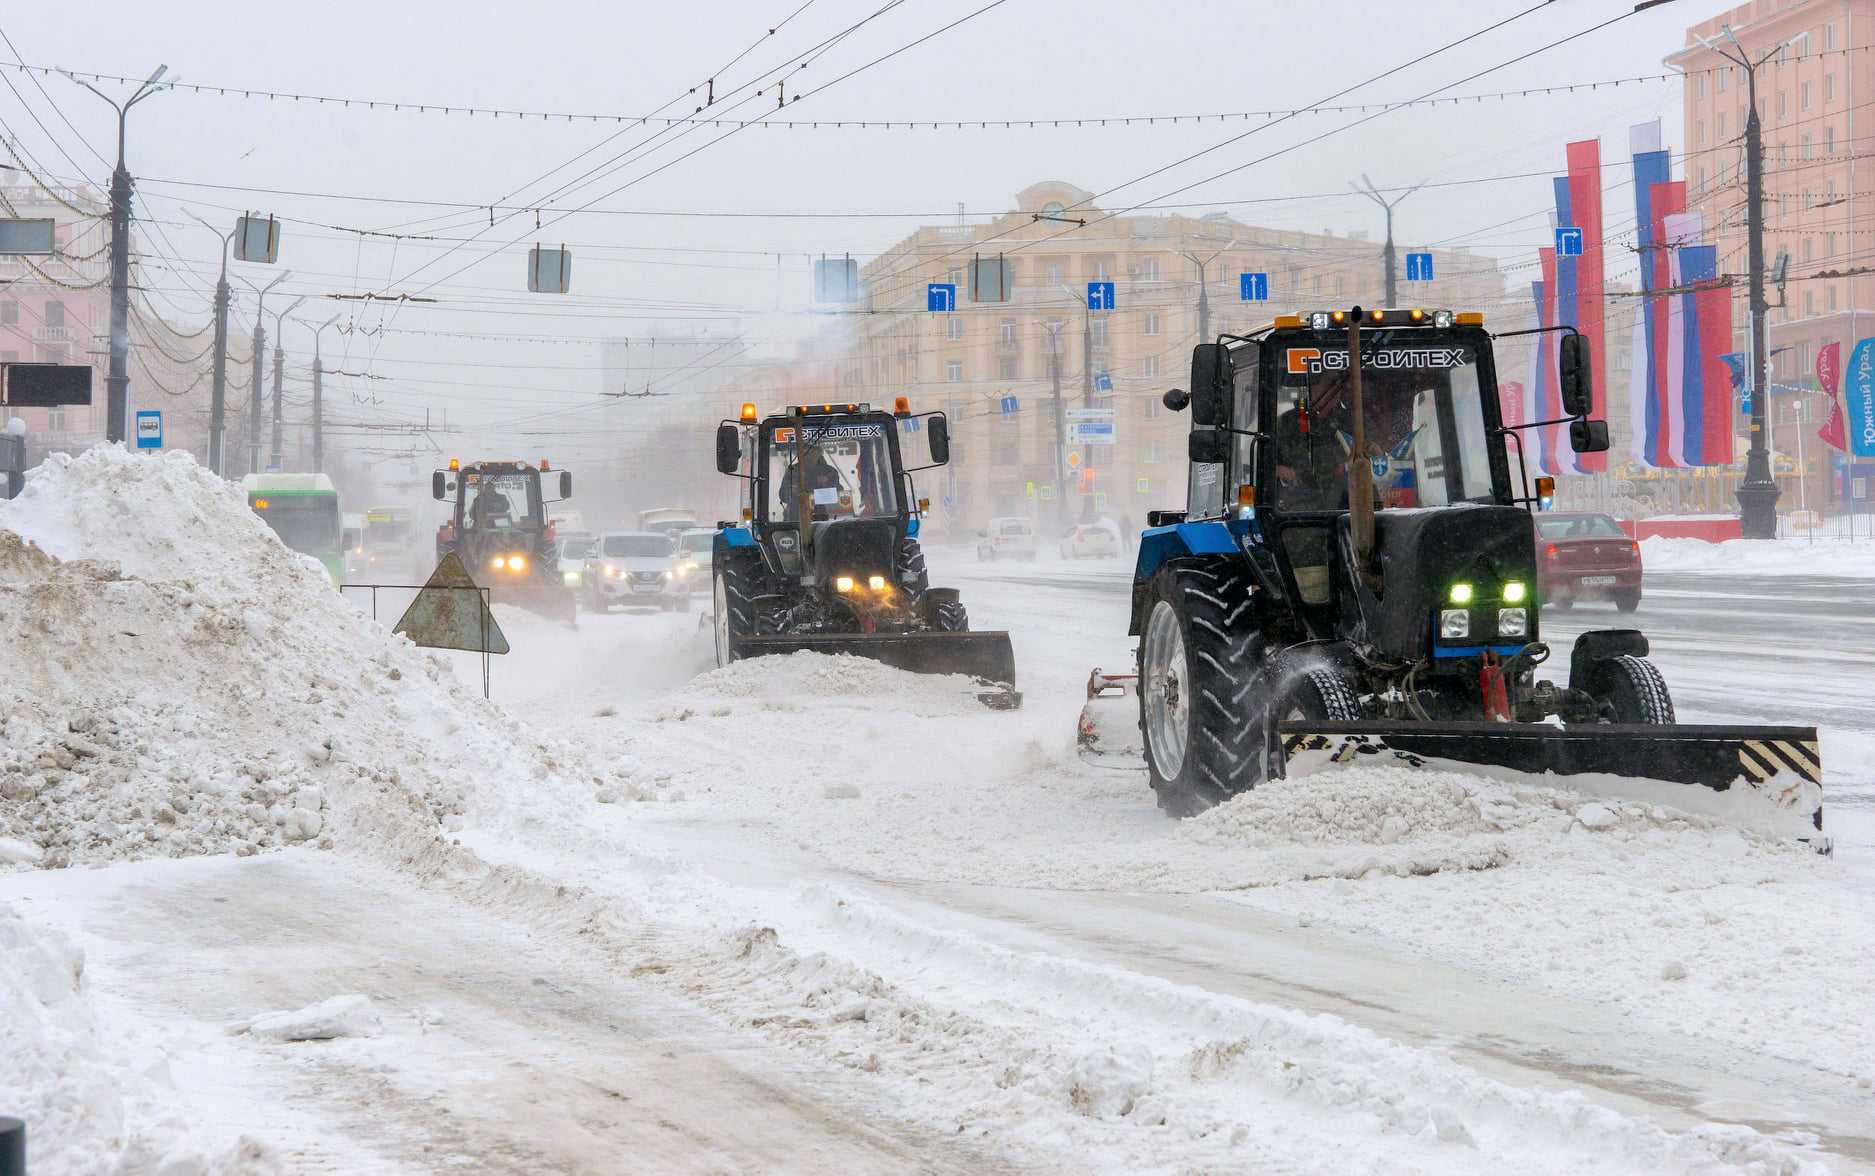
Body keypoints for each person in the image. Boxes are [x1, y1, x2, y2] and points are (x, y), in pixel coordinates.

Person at [1274, 370, 1354, 511]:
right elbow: (1266, 464)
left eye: (1339, 384)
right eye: (1330, 384)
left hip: (1348, 507)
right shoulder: (1288, 423)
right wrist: (1282, 471)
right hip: (1298, 511)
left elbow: (1376, 453)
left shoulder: (1350, 420)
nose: (1337, 389)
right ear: (1311, 388)